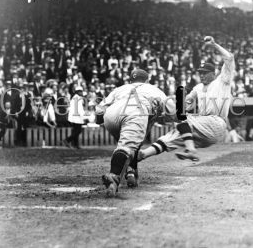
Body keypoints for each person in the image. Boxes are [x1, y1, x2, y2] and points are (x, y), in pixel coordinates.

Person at [136, 36, 235, 164]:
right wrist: (165, 109)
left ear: (214, 73)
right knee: (174, 133)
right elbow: (183, 104)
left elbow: (230, 58)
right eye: (200, 72)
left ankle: (191, 149)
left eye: (205, 72)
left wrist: (214, 45)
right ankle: (143, 154)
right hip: (203, 128)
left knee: (181, 118)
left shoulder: (222, 81)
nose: (202, 75)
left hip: (217, 123)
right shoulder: (198, 87)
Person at [96, 69, 175, 197]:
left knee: (130, 144)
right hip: (135, 111)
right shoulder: (153, 89)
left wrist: (100, 120)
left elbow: (100, 109)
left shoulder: (120, 88)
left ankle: (131, 171)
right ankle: (114, 176)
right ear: (147, 80)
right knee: (127, 147)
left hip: (112, 114)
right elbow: (173, 113)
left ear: (130, 80)